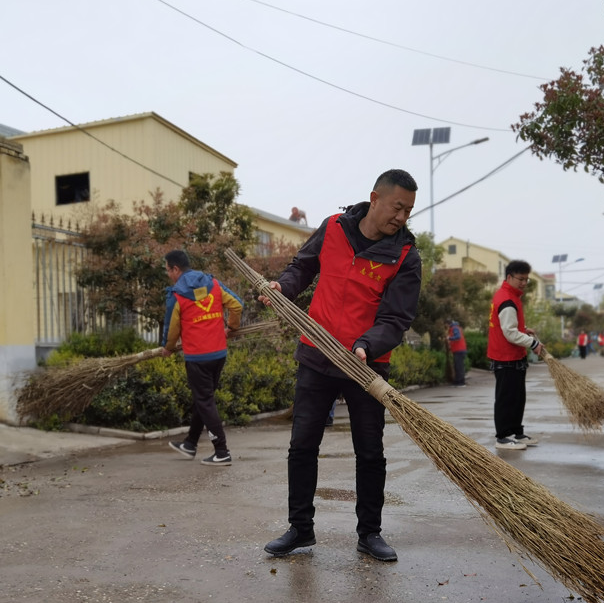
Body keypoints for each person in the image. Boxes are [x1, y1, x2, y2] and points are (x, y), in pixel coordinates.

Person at [260, 169, 422, 562]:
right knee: (302, 446)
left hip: (366, 365)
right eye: (397, 207)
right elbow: (303, 266)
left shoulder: (405, 254)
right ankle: (300, 529)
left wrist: (367, 345)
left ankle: (370, 533)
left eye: (409, 211)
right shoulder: (334, 227)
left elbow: (397, 318)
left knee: (370, 452)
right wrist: (284, 286)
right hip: (316, 354)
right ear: (375, 198)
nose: (402, 217)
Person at [161, 249, 244, 466]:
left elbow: (172, 328)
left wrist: (168, 347)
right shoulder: (213, 284)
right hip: (218, 354)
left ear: (175, 269)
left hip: (197, 357)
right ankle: (190, 444)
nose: (168, 274)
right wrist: (231, 327)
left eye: (168, 270)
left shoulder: (177, 294)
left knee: (205, 401)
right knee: (203, 398)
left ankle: (222, 451)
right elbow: (236, 304)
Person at [488, 261, 546, 451]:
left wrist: (524, 330)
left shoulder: (511, 296)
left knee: (517, 397)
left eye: (526, 279)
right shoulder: (506, 299)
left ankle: (516, 432)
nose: (524, 283)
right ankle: (503, 436)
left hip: (514, 356)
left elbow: (511, 327)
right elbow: (509, 332)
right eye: (520, 279)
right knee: (506, 398)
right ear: (509, 277)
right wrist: (534, 343)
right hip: (505, 357)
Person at [447, 319, 468, 386]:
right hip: (459, 349)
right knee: (458, 366)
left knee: (459, 366)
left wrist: (449, 338)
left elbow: (458, 337)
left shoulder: (454, 328)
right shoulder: (455, 327)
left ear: (447, 324)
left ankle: (460, 382)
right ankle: (458, 380)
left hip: (459, 350)